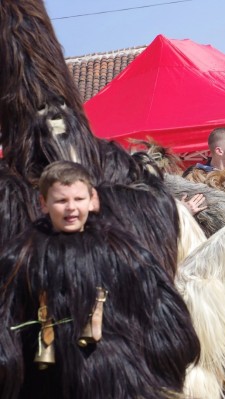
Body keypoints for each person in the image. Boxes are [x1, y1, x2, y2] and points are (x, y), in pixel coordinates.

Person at [0, 161, 200, 398]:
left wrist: (155, 363)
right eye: (61, 201)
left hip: (118, 377)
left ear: (93, 200)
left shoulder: (123, 251)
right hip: (45, 378)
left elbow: (162, 311)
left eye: (79, 199)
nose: (71, 208)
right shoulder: (21, 256)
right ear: (43, 203)